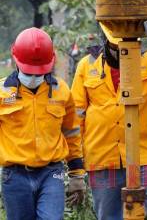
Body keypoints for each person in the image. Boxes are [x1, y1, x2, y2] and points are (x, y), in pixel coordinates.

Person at [71, 16, 147, 220]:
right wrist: (76, 165)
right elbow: (76, 117)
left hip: (143, 156)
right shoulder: (86, 65)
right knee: (109, 217)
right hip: (102, 158)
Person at [0, 27, 86, 220]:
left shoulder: (61, 91)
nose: (32, 77)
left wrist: (77, 175)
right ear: (16, 60)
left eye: (37, 73)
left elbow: (72, 133)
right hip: (15, 176)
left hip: (51, 173)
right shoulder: (2, 93)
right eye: (28, 71)